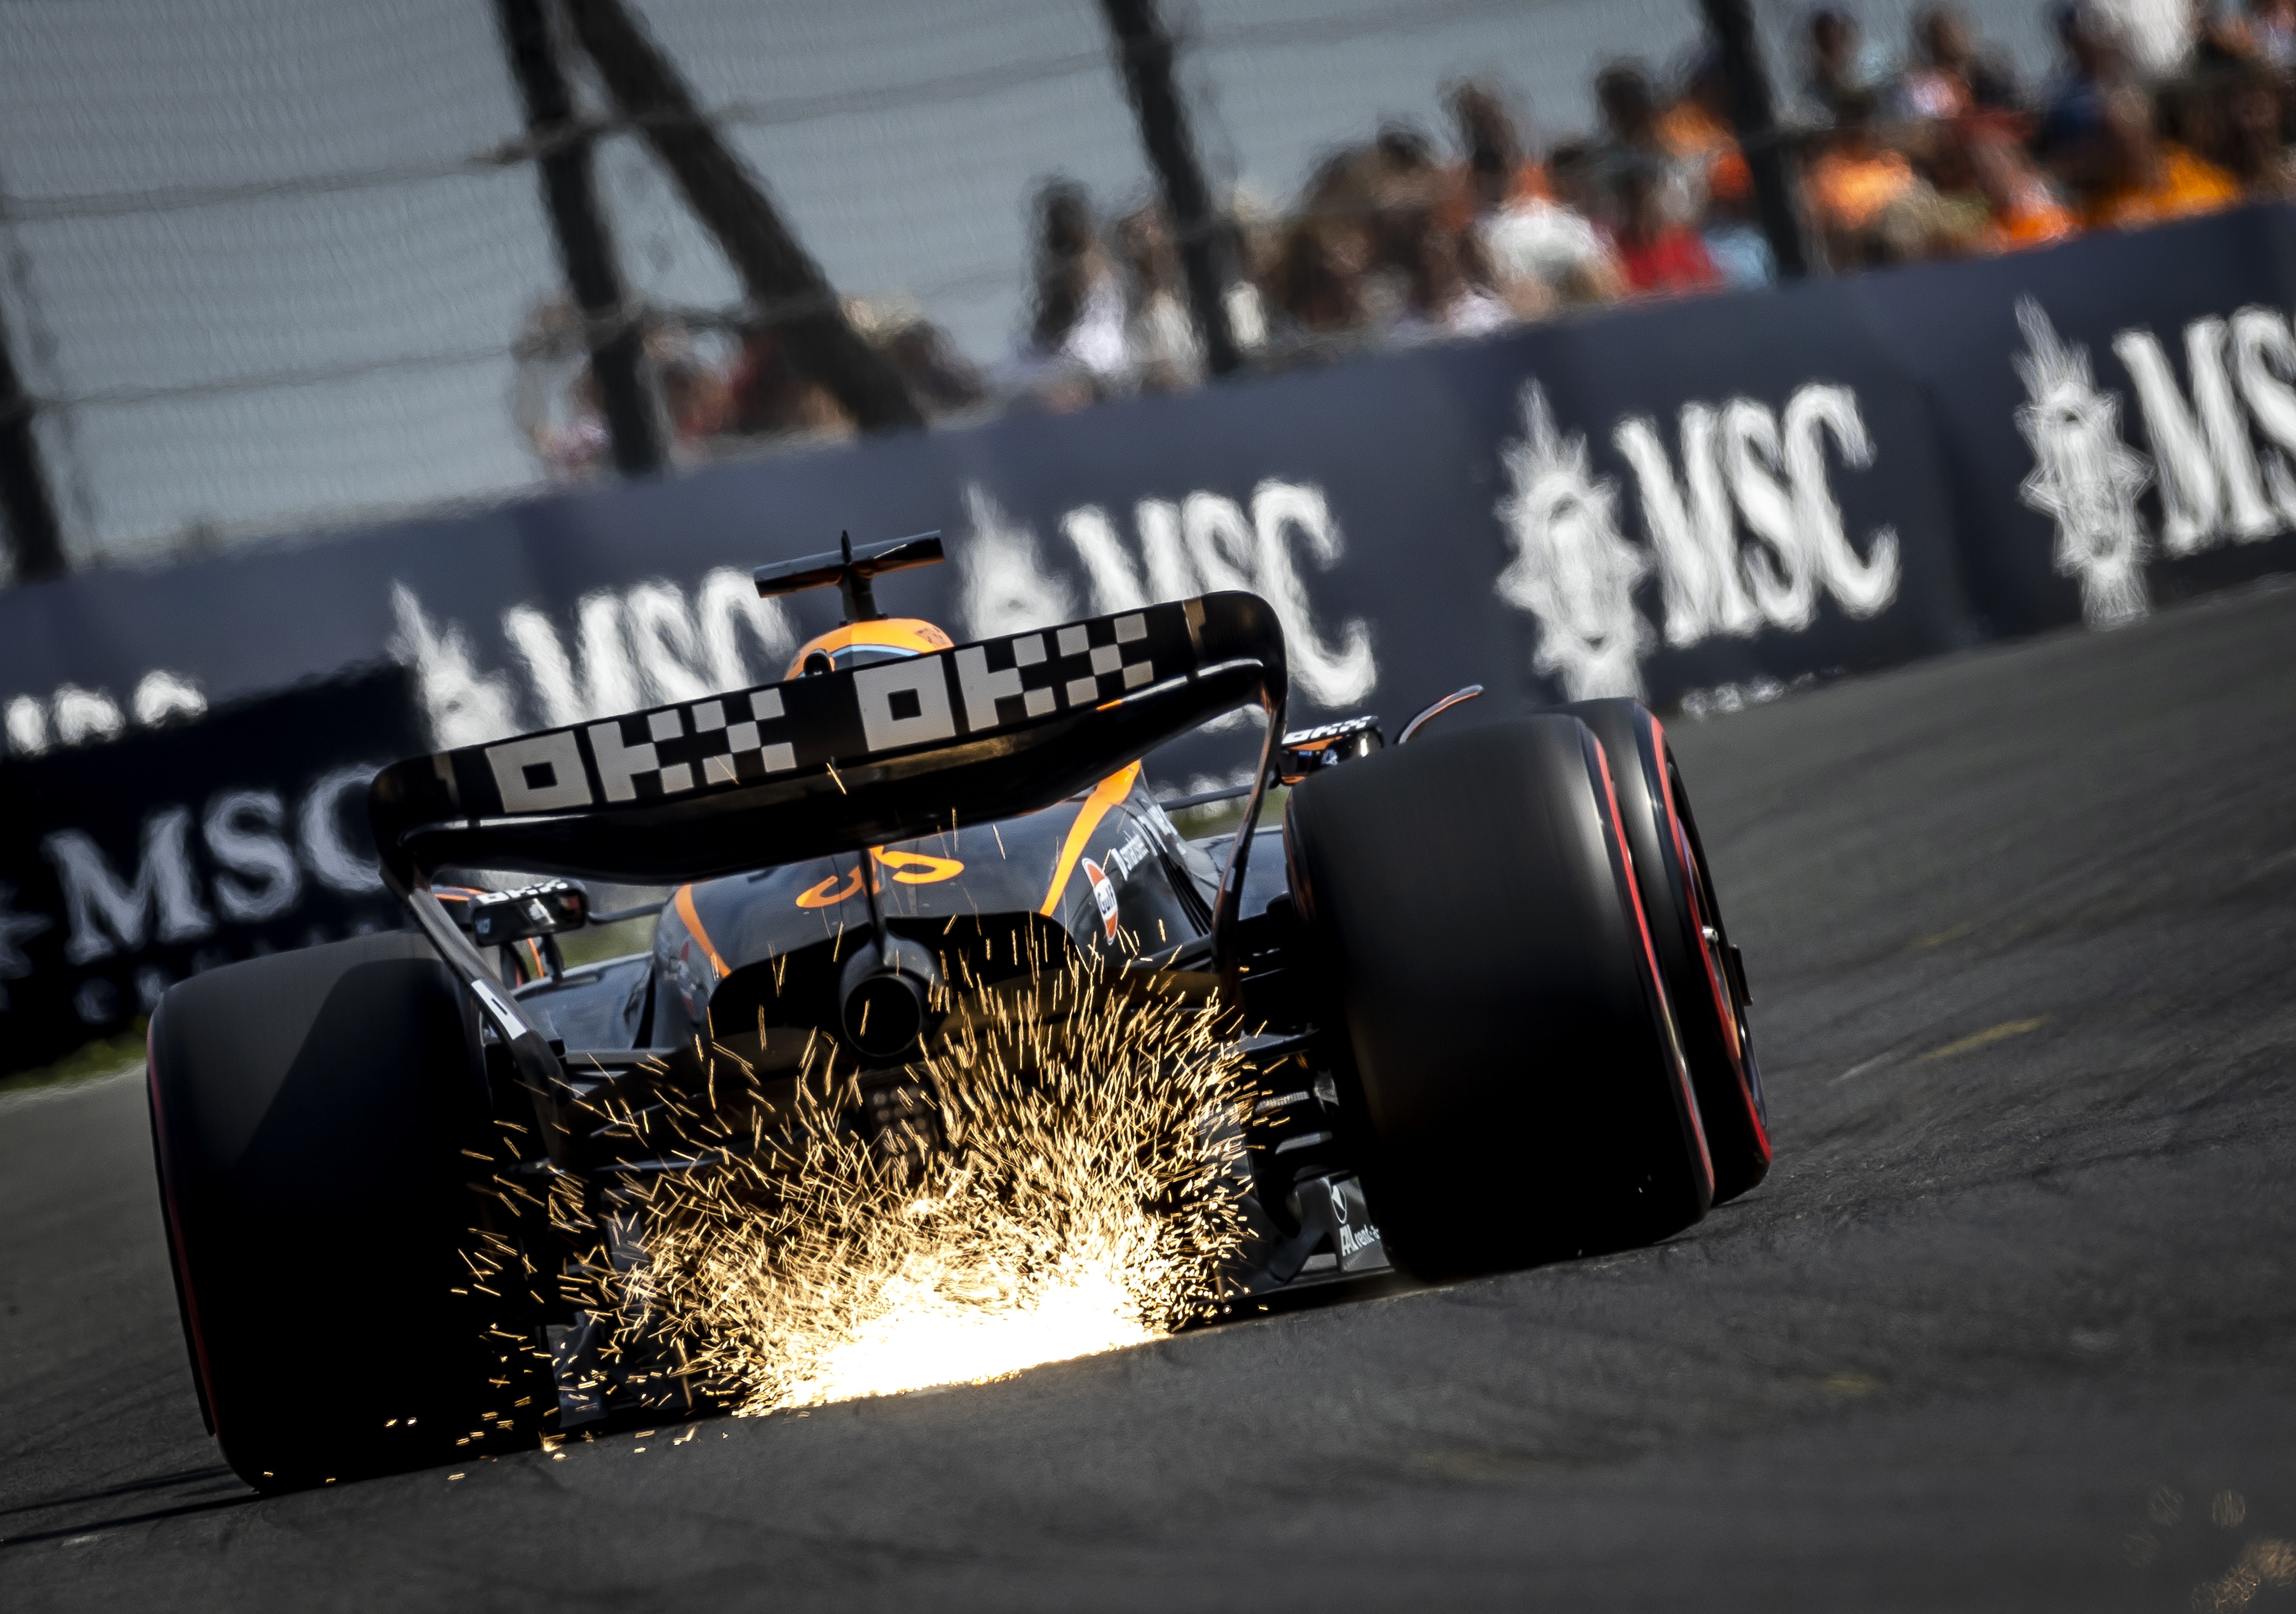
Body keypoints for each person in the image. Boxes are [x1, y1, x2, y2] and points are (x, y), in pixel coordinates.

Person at [1008, 179, 1130, 407]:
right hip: (1067, 363)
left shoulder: (1099, 268)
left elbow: (1095, 347)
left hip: (1098, 370)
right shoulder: (1057, 274)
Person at [2077, 81, 2243, 227]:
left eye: (2131, 138)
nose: (2124, 153)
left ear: (2149, 132)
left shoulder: (2204, 187)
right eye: (2111, 144)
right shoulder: (2103, 211)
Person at [1613, 160, 1723, 295]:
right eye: (1634, 199)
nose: (1641, 206)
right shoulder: (1618, 250)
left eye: (1645, 197)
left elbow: (1713, 283)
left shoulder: (1682, 240)